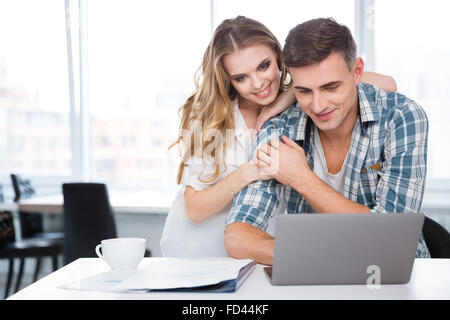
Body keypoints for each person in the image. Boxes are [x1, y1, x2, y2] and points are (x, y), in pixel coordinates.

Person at [160, 16, 397, 257]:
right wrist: (248, 172)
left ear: (277, 55)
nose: (258, 83)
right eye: (240, 77)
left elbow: (387, 84)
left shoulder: (303, 98)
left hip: (259, 243)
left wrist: (291, 93)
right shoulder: (211, 117)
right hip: (200, 246)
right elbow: (195, 209)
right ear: (227, 78)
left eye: (263, 66)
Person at [224, 18, 430, 265]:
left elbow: (392, 238)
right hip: (315, 273)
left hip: (395, 274)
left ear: (357, 72)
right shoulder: (280, 127)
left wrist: (301, 178)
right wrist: (318, 257)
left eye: (331, 87)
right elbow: (237, 237)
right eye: (304, 91)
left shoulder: (401, 118)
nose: (318, 106)